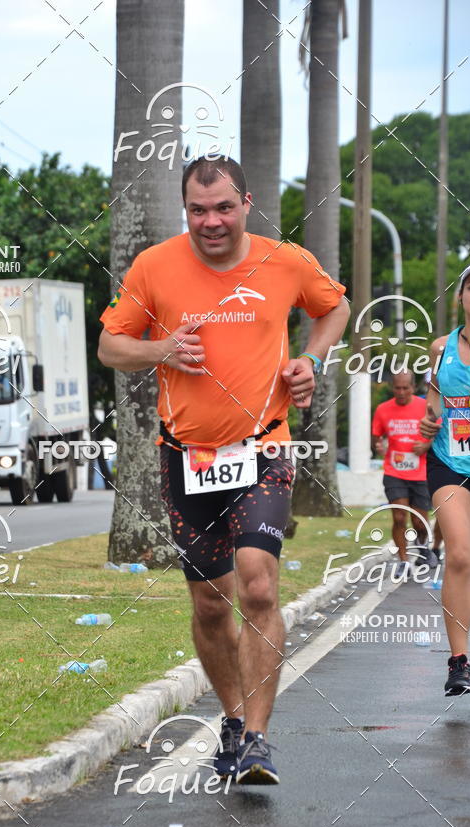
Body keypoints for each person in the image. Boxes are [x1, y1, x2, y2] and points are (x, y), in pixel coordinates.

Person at [98, 156, 350, 784]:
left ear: (247, 201)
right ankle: (233, 720)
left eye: (224, 207)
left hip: (262, 448)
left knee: (259, 585)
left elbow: (336, 308)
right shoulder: (154, 266)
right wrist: (162, 349)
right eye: (198, 209)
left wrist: (311, 362)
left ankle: (259, 741)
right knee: (212, 604)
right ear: (186, 208)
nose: (211, 221)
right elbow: (110, 345)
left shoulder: (283, 261)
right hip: (185, 457)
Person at [420, 261, 470, 696]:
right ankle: (458, 662)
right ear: (459, 296)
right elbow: (434, 403)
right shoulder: (440, 348)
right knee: (460, 554)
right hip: (451, 462)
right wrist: (428, 421)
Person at [372, 371, 437, 579]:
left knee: (419, 522)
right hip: (394, 472)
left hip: (420, 472)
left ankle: (422, 545)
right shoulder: (383, 409)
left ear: (413, 387)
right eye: (397, 388)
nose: (401, 392)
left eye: (405, 388)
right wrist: (378, 445)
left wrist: (426, 445)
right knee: (399, 517)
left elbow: (440, 434)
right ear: (393, 388)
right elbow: (376, 437)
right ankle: (403, 561)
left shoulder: (425, 407)